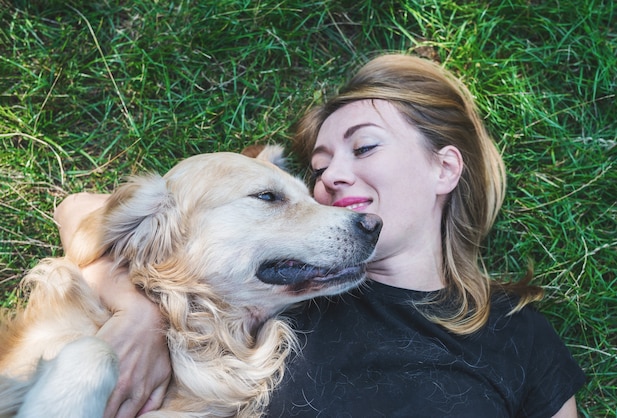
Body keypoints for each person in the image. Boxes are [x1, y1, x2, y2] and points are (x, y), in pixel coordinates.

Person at [54, 54, 585, 417]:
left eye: (366, 147)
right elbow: (82, 212)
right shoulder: (281, 291)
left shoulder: (516, 331)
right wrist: (138, 311)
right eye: (321, 165)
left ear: (443, 169)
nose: (329, 177)